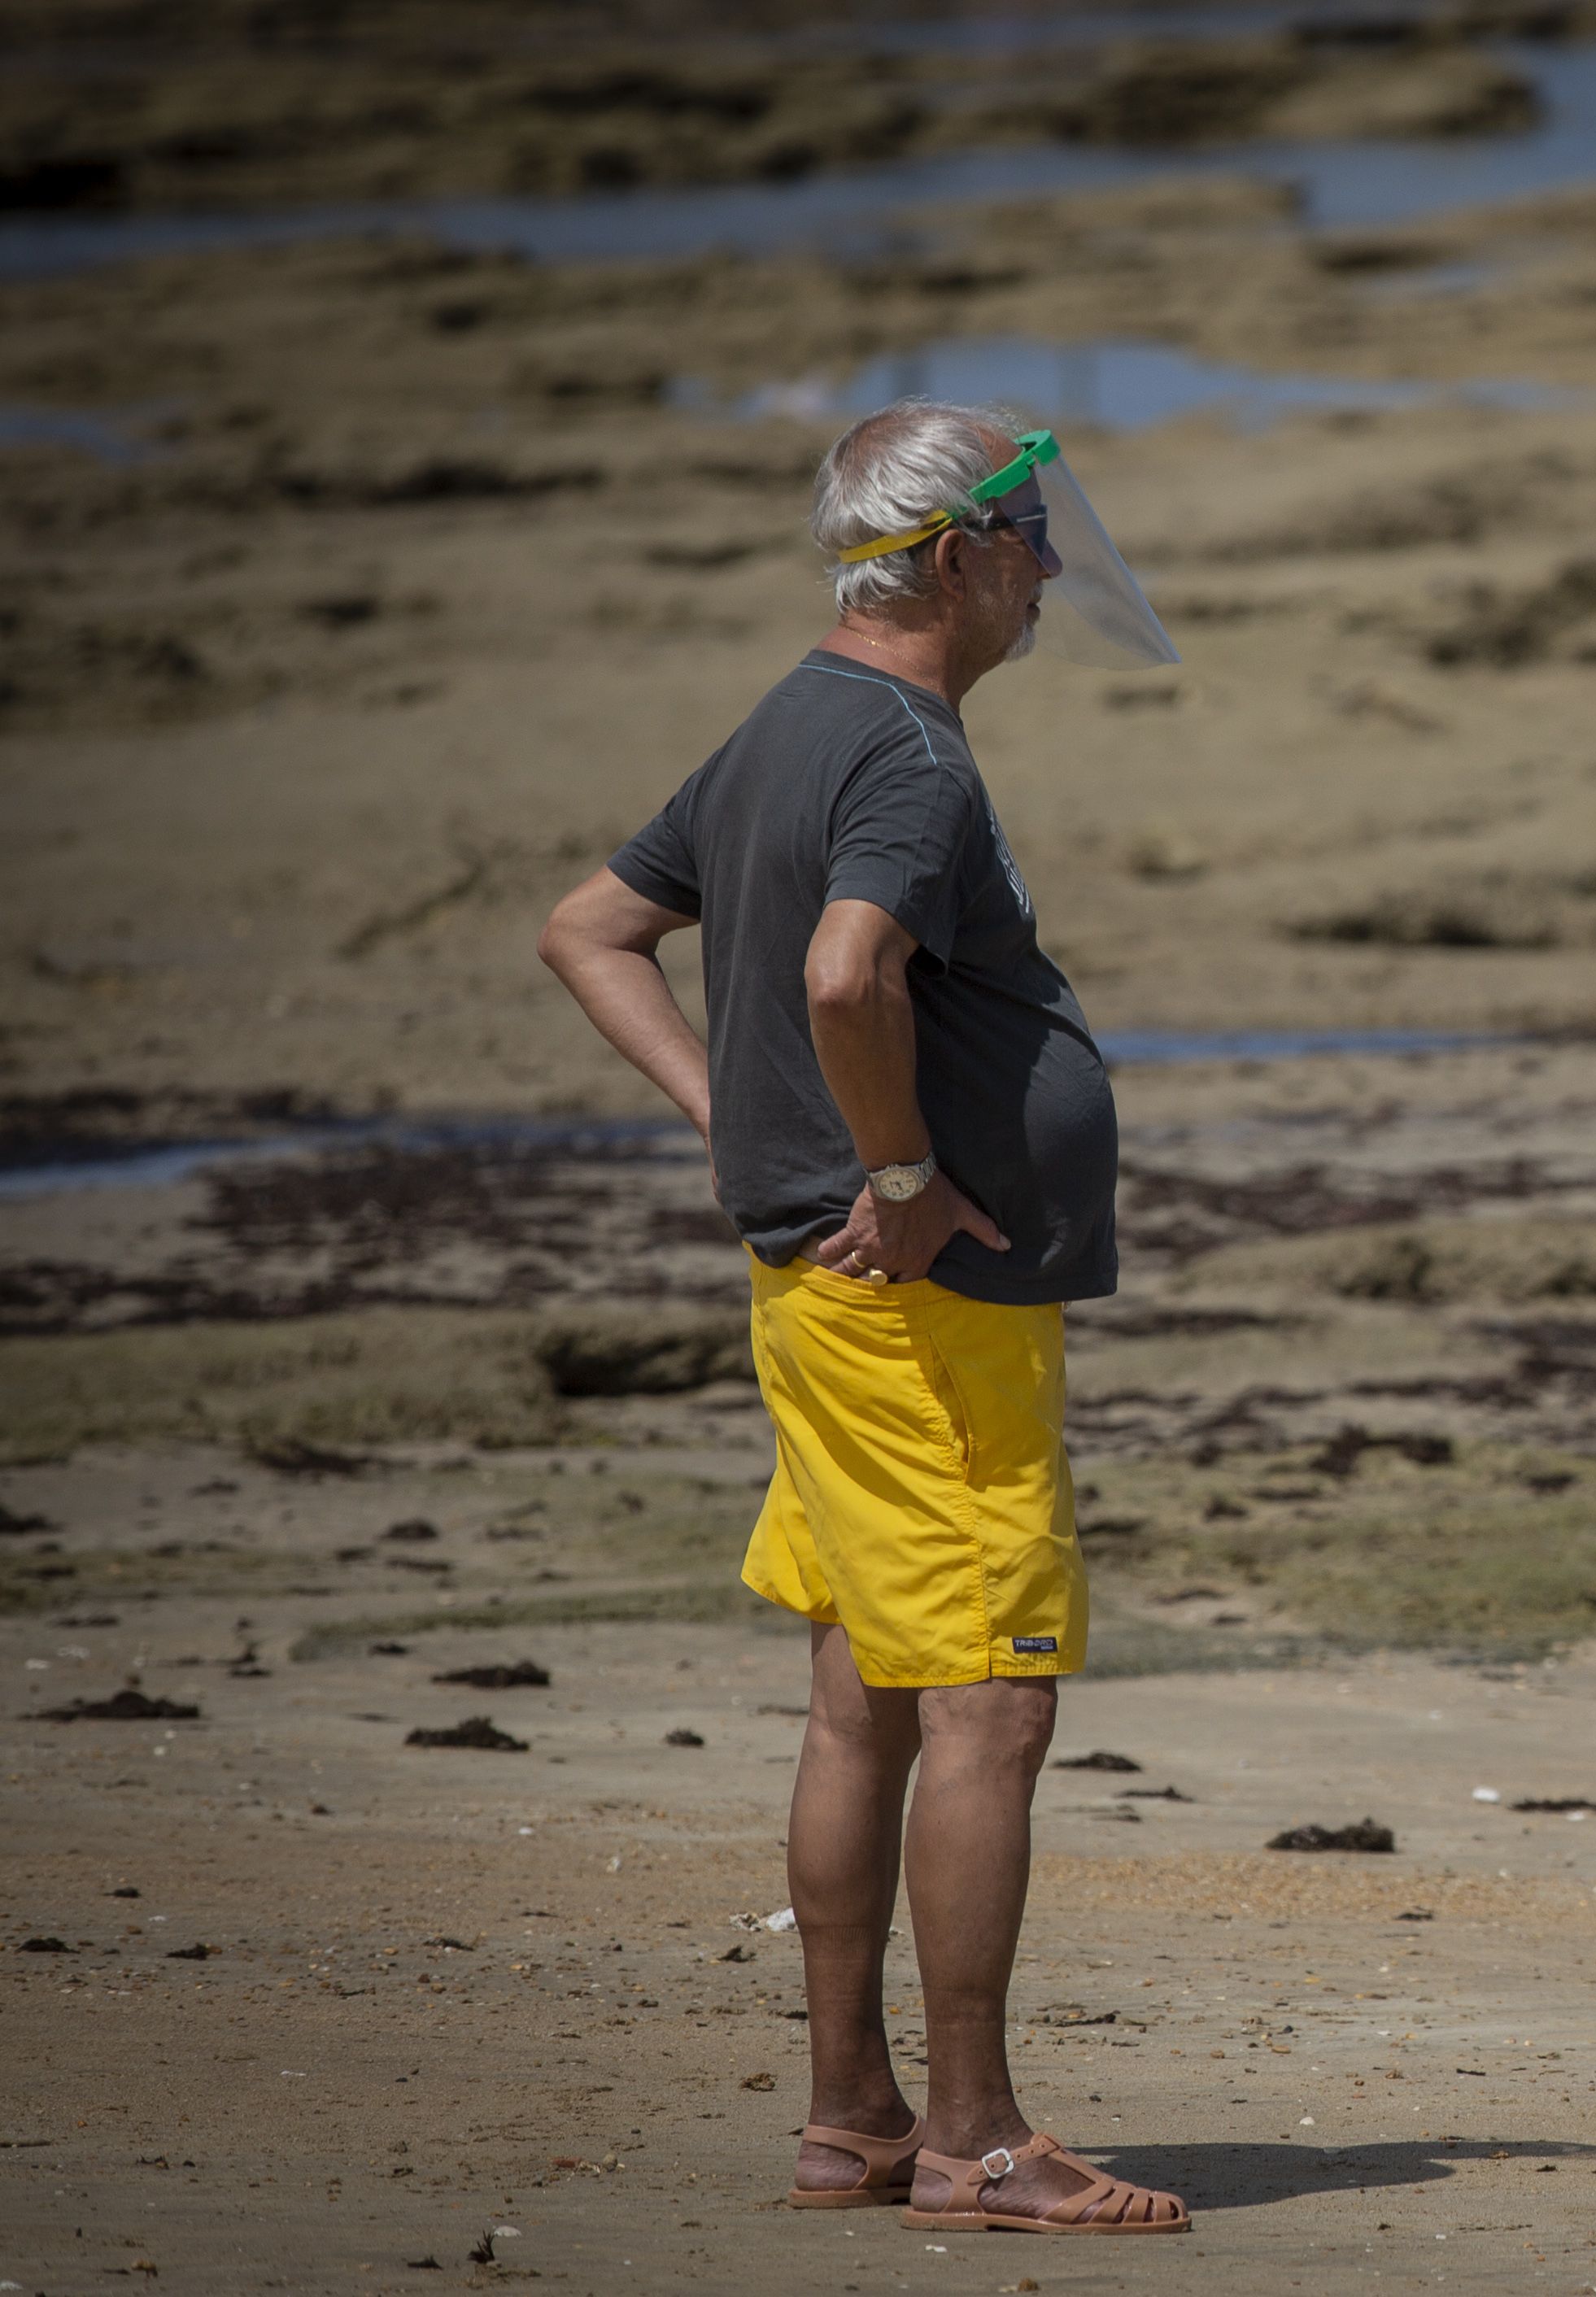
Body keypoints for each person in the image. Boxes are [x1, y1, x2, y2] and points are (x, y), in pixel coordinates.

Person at [537, 399, 1190, 2237]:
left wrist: (745, 1128)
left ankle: (852, 2118)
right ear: (959, 556)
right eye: (1034, 538)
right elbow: (842, 971)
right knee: (986, 1698)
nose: (1055, 568)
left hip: (818, 1303)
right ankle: (979, 2142)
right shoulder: (904, 748)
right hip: (926, 1312)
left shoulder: (783, 720)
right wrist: (894, 1173)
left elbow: (588, 929)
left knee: (862, 1687)